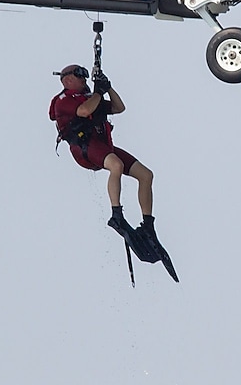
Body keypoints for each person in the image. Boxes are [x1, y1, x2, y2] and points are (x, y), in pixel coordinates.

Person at [49, 64, 163, 262]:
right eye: (80, 76)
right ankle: (116, 214)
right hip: (84, 148)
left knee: (146, 175)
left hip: (103, 146)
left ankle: (148, 224)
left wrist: (107, 87)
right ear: (67, 80)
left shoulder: (91, 98)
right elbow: (84, 111)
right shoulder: (64, 100)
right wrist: (98, 93)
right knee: (116, 165)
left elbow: (119, 107)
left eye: (85, 76)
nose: (84, 79)